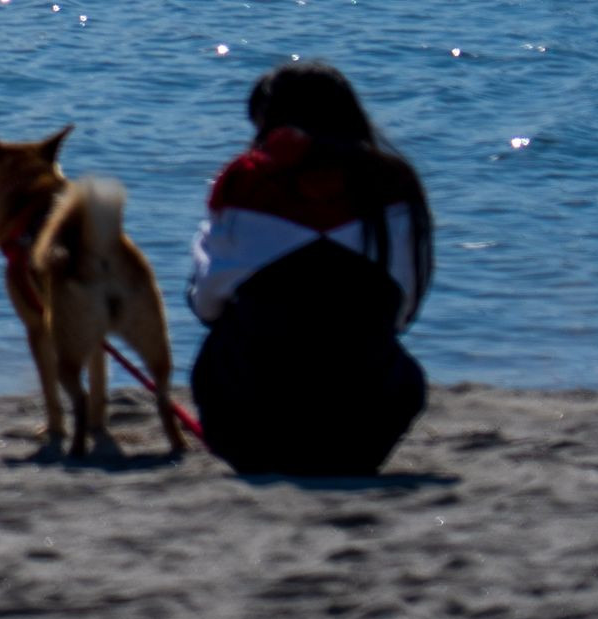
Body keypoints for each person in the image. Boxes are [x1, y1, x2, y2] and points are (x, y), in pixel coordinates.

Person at [186, 60, 435, 475]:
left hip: (249, 426)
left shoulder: (248, 179)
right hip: (365, 429)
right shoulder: (394, 183)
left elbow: (206, 303)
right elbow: (403, 310)